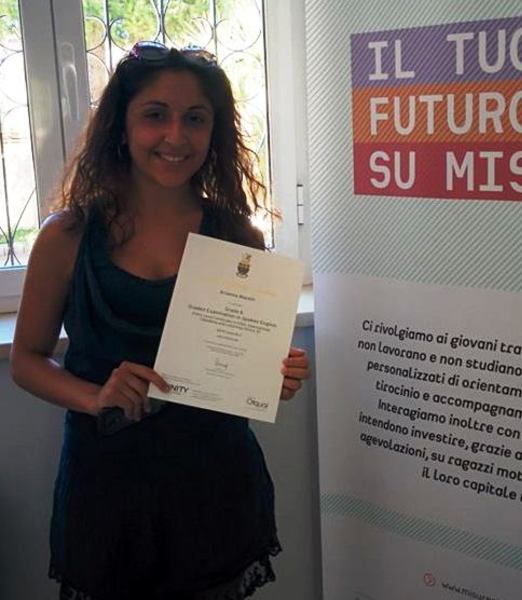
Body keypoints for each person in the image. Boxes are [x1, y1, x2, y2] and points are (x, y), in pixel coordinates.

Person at [10, 41, 310, 600]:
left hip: (215, 487)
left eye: (195, 118)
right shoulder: (67, 235)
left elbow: (247, 362)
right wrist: (95, 397)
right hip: (107, 491)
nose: (176, 136)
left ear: (214, 132)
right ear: (121, 128)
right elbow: (26, 360)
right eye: (155, 115)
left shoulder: (240, 238)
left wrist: (276, 373)